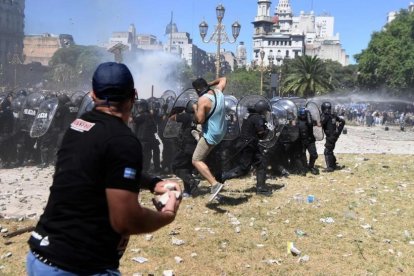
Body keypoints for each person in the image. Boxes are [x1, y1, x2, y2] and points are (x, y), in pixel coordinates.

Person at [27, 62, 181, 275]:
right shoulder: (123, 140)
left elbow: (104, 167)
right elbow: (125, 220)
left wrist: (153, 183)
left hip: (41, 256)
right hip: (78, 266)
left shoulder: (78, 126)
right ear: (134, 96)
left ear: (92, 95)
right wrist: (167, 214)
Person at [221, 100, 272, 195]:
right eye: (265, 111)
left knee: (261, 163)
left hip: (248, 144)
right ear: (261, 110)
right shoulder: (257, 118)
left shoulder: (249, 116)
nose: (266, 113)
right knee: (243, 169)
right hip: (248, 145)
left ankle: (261, 188)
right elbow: (261, 134)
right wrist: (269, 129)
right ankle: (221, 177)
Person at [191, 77, 227, 202]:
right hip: (222, 130)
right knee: (200, 132)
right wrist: (209, 83)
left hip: (212, 134)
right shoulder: (219, 91)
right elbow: (223, 79)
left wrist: (195, 108)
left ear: (198, 89)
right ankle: (198, 136)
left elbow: (199, 119)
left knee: (196, 160)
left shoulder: (203, 100)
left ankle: (215, 184)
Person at [321, 101, 345, 172]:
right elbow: (342, 121)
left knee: (327, 151)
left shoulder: (325, 116)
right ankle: (333, 164)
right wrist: (338, 130)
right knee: (330, 150)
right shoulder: (333, 115)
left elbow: (320, 124)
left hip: (330, 136)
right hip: (334, 135)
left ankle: (330, 167)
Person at [297, 107, 319, 175]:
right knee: (302, 155)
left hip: (310, 140)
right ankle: (304, 167)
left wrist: (309, 115)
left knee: (314, 155)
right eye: (302, 114)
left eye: (304, 114)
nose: (303, 116)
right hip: (301, 141)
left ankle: (311, 166)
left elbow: (314, 123)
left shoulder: (310, 121)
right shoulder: (297, 121)